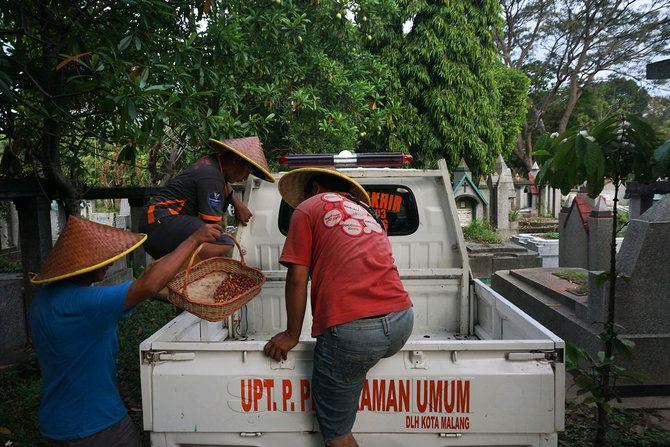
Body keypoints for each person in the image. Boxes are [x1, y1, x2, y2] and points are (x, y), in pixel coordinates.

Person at [29, 216, 223, 446]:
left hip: (55, 424)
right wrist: (193, 240)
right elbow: (148, 285)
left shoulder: (42, 300)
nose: (109, 262)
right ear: (82, 264)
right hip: (97, 425)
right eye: (102, 258)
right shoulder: (87, 304)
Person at [263, 167, 414, 447]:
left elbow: (297, 279)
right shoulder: (366, 211)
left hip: (355, 334)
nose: (304, 200)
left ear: (316, 188)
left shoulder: (307, 209)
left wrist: (291, 335)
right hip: (402, 320)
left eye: (306, 195)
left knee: (337, 433)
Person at [139, 136, 275, 260]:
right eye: (248, 171)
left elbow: (226, 185)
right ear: (236, 160)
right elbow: (213, 228)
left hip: (155, 222)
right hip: (159, 221)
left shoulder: (213, 163)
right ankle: (184, 271)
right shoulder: (212, 177)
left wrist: (237, 204)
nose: (245, 178)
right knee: (223, 242)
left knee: (218, 240)